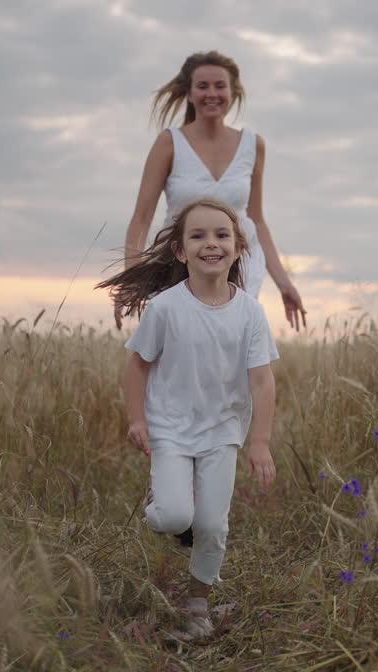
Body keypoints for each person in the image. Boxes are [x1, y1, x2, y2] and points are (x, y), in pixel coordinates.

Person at [96, 197, 278, 640]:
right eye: (198, 235)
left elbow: (262, 382)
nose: (210, 243)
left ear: (238, 248)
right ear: (180, 251)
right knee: (176, 517)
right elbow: (138, 365)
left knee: (213, 526)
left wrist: (259, 442)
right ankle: (160, 496)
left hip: (221, 431)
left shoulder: (250, 313)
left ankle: (198, 603)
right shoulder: (165, 307)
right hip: (170, 429)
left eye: (221, 235)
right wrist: (137, 419)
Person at [117, 50, 306, 332]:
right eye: (202, 86)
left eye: (220, 85)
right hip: (181, 262)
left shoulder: (254, 145)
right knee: (180, 347)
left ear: (233, 91)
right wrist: (131, 279)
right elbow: (142, 218)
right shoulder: (170, 143)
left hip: (238, 263)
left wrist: (284, 283)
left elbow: (256, 219)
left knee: (231, 349)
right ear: (189, 93)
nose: (211, 93)